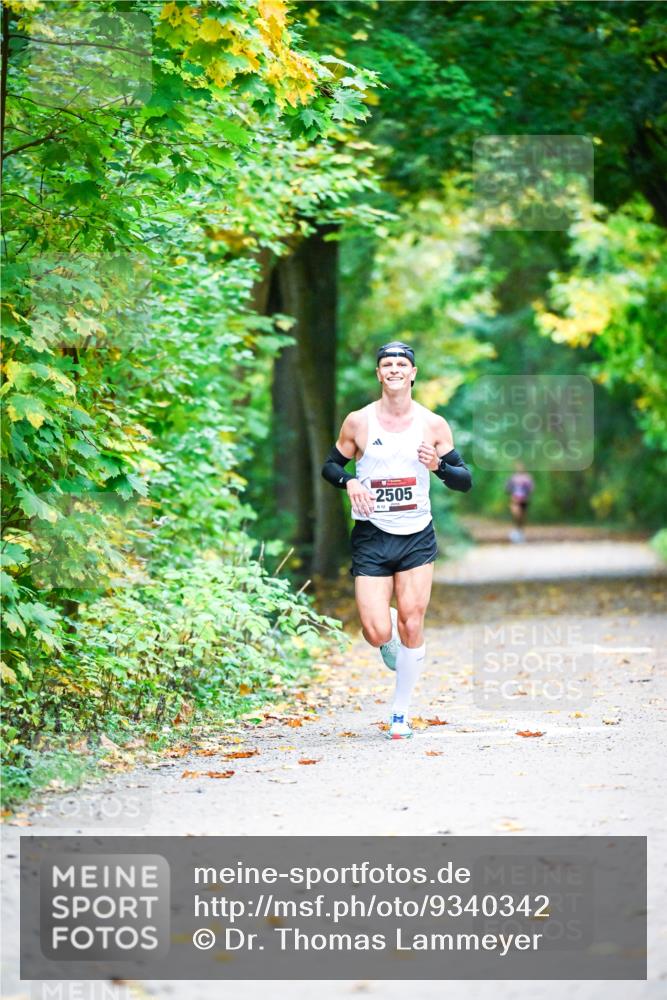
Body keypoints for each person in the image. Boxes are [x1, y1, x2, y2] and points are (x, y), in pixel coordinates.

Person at [321, 342, 472, 740]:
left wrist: (438, 466)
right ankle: (385, 629)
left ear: (413, 373)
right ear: (378, 373)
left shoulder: (433, 424)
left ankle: (400, 713)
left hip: (416, 535)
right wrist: (350, 481)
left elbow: (465, 479)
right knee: (375, 631)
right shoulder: (358, 422)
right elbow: (330, 465)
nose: (394, 370)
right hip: (372, 534)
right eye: (386, 364)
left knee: (412, 618)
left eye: (401, 364)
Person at [505, 462, 534, 543]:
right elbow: (507, 488)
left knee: (522, 518)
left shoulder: (527, 478)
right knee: (516, 515)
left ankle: (520, 533)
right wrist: (512, 496)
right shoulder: (512, 478)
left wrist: (526, 496)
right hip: (515, 500)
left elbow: (531, 489)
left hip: (524, 500)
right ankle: (515, 532)